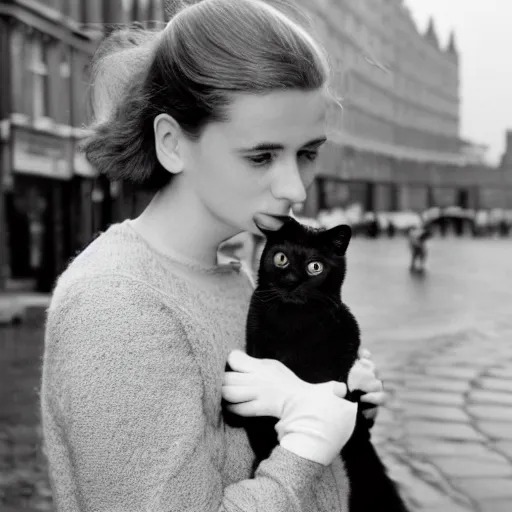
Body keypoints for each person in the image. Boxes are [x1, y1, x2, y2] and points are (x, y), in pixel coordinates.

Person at [41, 1, 385, 511]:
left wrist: (337, 404)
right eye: (262, 156)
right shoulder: (116, 309)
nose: (296, 188)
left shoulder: (236, 278)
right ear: (172, 143)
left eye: (308, 152)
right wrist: (309, 444)